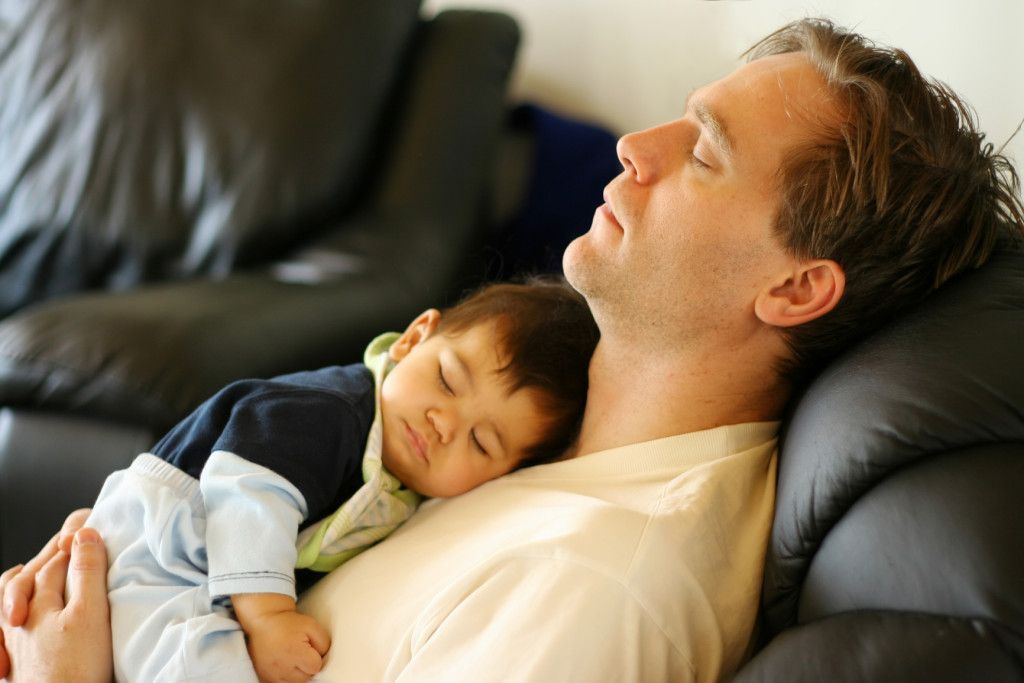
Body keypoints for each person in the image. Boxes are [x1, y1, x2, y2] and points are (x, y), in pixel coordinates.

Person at [3, 17, 1024, 683]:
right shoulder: (549, 442)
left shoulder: (599, 585)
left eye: (702, 151)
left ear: (794, 287)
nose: (635, 145)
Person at [3, 278, 599, 683]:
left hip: (195, 570)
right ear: (415, 336)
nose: (445, 424)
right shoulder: (331, 410)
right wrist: (267, 617)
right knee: (194, 664)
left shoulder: (402, 481)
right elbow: (248, 493)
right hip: (160, 545)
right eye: (447, 379)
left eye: (481, 441)